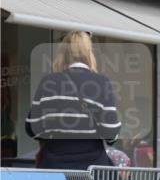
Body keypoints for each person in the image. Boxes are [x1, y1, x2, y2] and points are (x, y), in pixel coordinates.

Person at [25, 30, 121, 169]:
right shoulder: (101, 83)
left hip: (54, 169)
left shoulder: (48, 82)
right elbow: (111, 134)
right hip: (90, 172)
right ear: (89, 53)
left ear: (62, 53)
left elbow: (31, 128)